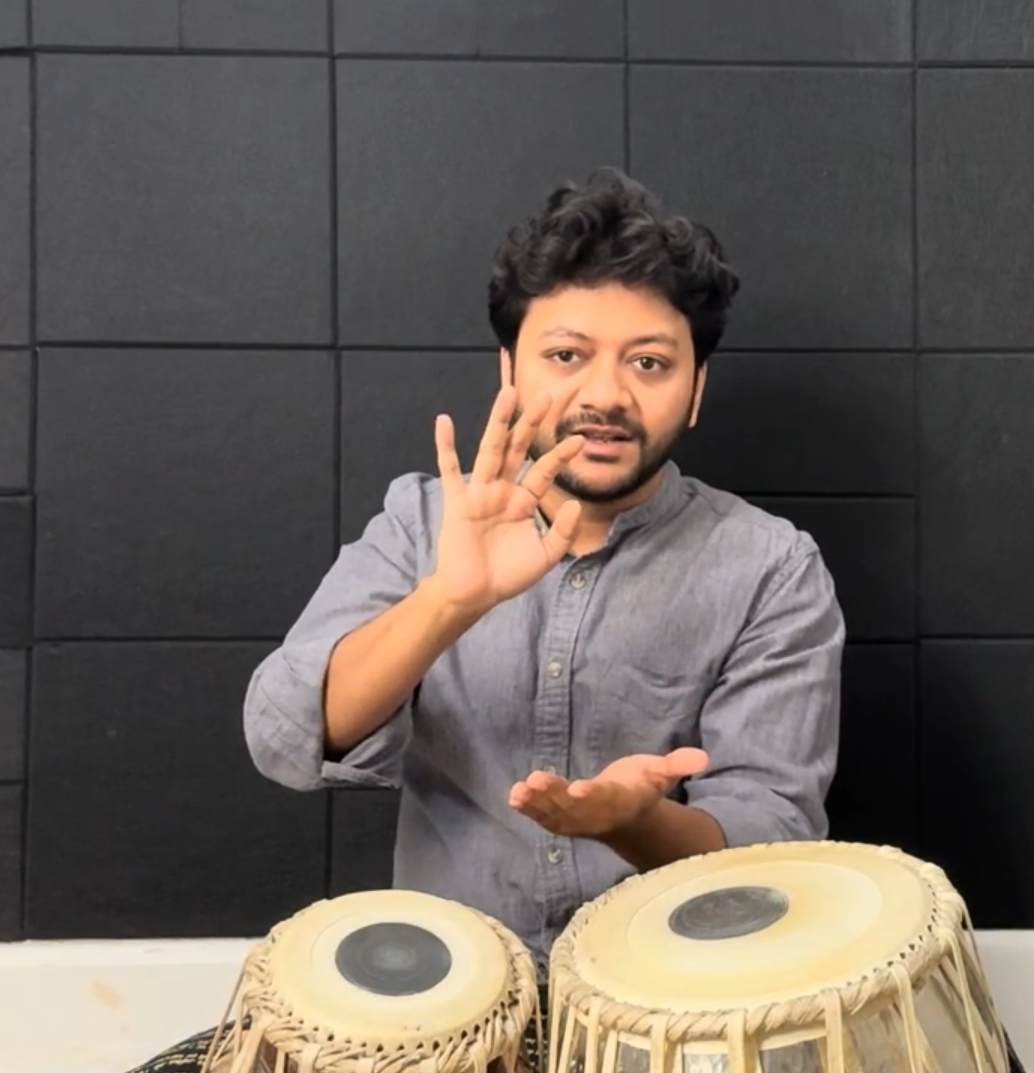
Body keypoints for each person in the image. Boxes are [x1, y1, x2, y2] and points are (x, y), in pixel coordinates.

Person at [240, 166, 846, 975]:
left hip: (671, 1001)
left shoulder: (770, 567)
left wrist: (630, 820)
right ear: (510, 372)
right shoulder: (423, 521)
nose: (605, 394)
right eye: (565, 354)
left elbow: (772, 839)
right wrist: (448, 600)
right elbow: (284, 734)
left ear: (697, 388)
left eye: (650, 364)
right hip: (453, 1000)